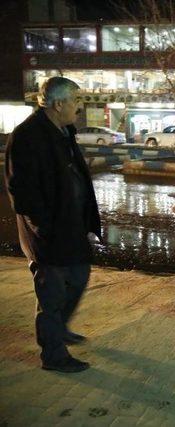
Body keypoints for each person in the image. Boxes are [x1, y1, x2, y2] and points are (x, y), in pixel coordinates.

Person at [4, 77, 102, 373]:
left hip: (69, 226)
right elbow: (22, 191)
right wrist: (43, 228)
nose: (79, 107)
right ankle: (53, 355)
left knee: (80, 274)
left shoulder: (63, 131)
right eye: (76, 100)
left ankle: (59, 328)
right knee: (52, 295)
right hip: (47, 233)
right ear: (59, 104)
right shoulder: (27, 136)